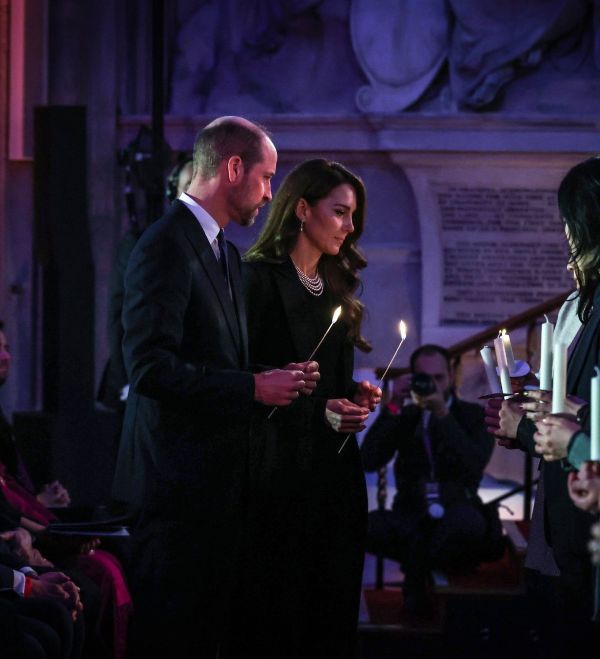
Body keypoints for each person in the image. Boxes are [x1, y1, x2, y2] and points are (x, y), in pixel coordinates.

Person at [114, 116, 314, 657]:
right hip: (173, 496)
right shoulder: (163, 245)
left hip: (214, 496)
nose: (271, 194)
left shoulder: (225, 252)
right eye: (267, 177)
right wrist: (252, 389)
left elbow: (217, 359)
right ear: (232, 168)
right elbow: (150, 369)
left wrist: (279, 379)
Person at [241, 158, 381, 658]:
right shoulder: (257, 280)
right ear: (302, 208)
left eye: (353, 217)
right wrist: (320, 409)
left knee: (332, 612)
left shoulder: (336, 284)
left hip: (334, 474)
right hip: (279, 472)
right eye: (340, 212)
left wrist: (356, 397)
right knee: (282, 618)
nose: (349, 226)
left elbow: (333, 385)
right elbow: (247, 379)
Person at [485, 156, 600, 653]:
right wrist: (538, 410)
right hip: (564, 508)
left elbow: (586, 417)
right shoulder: (583, 301)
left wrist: (536, 428)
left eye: (569, 224)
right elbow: (576, 404)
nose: (566, 236)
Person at [361, 344, 499, 614]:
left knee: (464, 524)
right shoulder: (407, 415)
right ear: (413, 378)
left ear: (451, 377)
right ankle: (428, 569)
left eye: (439, 378)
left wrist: (442, 414)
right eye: (426, 379)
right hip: (411, 511)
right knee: (366, 526)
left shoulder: (473, 415)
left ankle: (415, 580)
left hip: (456, 509)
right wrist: (394, 404)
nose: (433, 385)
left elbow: (474, 465)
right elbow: (369, 459)